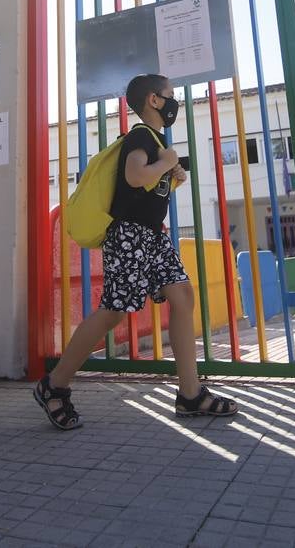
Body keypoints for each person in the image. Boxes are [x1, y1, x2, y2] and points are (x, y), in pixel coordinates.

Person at [33, 74, 238, 429]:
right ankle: (54, 384)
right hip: (128, 235)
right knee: (114, 312)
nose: (174, 102)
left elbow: (147, 187)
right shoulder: (142, 135)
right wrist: (166, 162)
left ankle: (190, 394)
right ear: (154, 101)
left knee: (183, 297)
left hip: (152, 236)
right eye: (170, 95)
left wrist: (172, 174)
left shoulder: (155, 140)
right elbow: (133, 176)